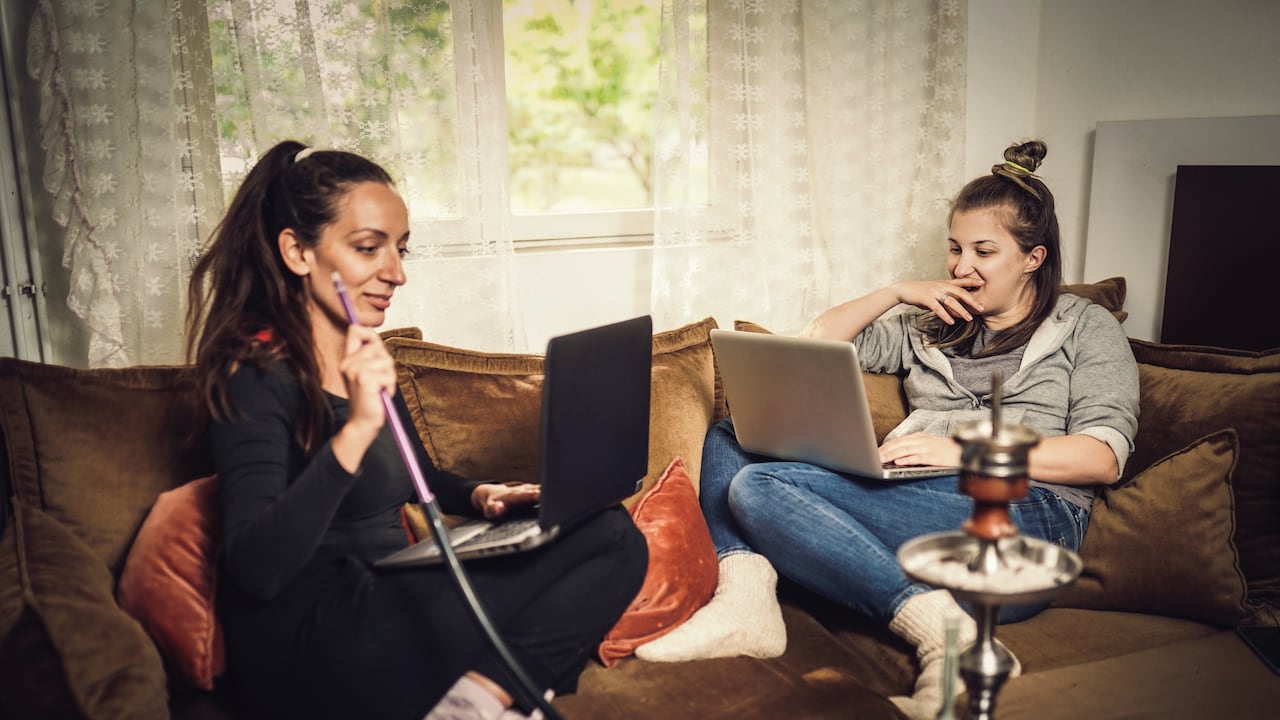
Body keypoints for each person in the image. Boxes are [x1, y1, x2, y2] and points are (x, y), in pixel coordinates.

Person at [634, 141, 1139, 720]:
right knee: (733, 432)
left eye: (983, 251)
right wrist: (894, 293)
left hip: (1028, 517)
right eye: (954, 249)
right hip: (915, 489)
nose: (960, 267)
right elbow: (814, 346)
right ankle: (747, 600)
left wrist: (959, 450)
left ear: (1032, 257)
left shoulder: (1086, 328)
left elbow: (1101, 458)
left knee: (756, 487)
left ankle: (944, 635)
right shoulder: (932, 324)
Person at [185, 140, 648, 720]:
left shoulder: (367, 353)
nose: (396, 274)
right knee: (606, 540)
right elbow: (255, 568)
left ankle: (477, 703)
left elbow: (416, 478)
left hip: (389, 596)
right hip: (314, 645)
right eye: (368, 248)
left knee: (614, 534)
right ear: (298, 252)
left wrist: (479, 495)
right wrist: (355, 429)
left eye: (400, 250)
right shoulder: (251, 372)